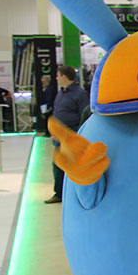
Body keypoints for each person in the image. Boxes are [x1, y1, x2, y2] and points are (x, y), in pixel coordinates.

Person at [45, 66, 89, 204]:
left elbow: (85, 115)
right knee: (58, 165)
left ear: (64, 77)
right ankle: (59, 193)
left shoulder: (80, 94)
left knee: (73, 166)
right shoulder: (60, 93)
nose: (56, 78)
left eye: (58, 75)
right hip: (59, 137)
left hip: (72, 135)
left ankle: (74, 195)